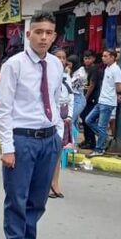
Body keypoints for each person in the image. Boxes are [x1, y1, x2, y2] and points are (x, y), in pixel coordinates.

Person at [0, 11, 63, 239]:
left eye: (48, 33)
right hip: (22, 139)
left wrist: (57, 134)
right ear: (28, 34)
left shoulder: (56, 65)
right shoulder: (14, 65)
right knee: (17, 199)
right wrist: (7, 148)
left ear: (54, 36)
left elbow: (56, 100)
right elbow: (2, 108)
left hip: (48, 139)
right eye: (38, 32)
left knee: (38, 199)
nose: (43, 37)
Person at [85, 48, 121, 157]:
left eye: (106, 56)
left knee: (101, 126)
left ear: (112, 57)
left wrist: (118, 94)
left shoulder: (116, 69)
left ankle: (99, 149)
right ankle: (104, 137)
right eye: (103, 56)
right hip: (101, 100)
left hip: (108, 102)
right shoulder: (107, 68)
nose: (103, 58)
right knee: (88, 120)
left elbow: (119, 87)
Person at [49, 49, 74, 199]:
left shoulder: (66, 76)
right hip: (48, 116)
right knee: (47, 152)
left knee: (58, 151)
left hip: (63, 115)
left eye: (63, 58)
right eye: (58, 57)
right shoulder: (46, 74)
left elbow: (71, 96)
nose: (61, 60)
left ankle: (55, 183)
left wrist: (70, 115)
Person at [78, 51, 101, 149]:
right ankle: (87, 140)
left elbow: (92, 85)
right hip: (85, 98)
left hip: (91, 99)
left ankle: (91, 142)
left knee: (88, 120)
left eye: (89, 58)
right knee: (84, 120)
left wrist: (85, 98)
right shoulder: (84, 69)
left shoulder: (94, 69)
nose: (87, 60)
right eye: (85, 58)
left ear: (93, 59)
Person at [68, 54, 87, 131]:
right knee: (74, 122)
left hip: (78, 99)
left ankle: (71, 141)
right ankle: (74, 141)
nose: (68, 66)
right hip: (74, 98)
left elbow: (70, 85)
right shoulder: (76, 71)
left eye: (69, 64)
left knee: (70, 121)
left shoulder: (80, 74)